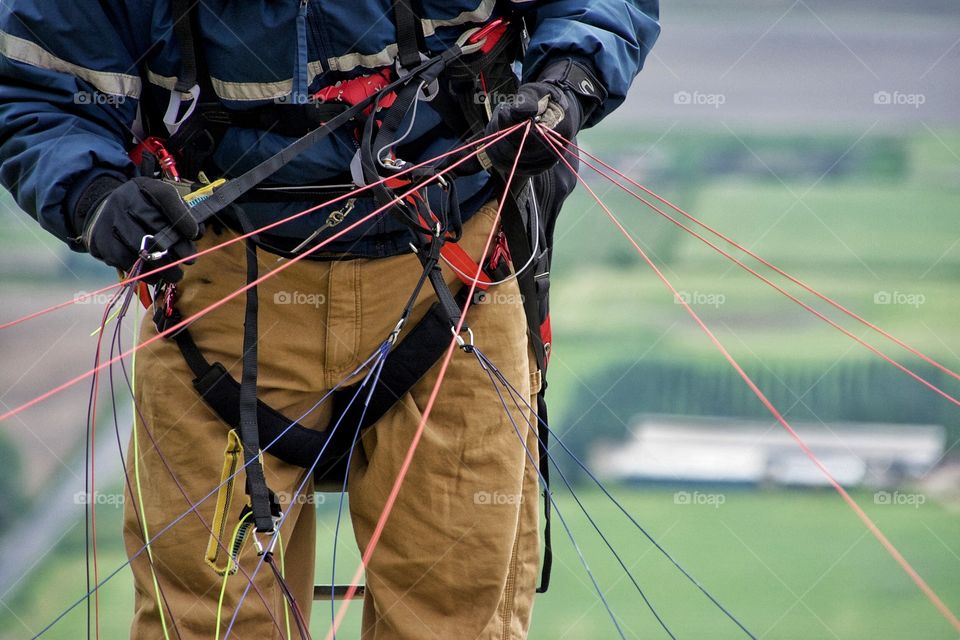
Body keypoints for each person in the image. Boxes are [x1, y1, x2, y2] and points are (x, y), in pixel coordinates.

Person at [0, 1, 659, 638]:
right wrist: (91, 192)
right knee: (205, 624)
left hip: (453, 276)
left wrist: (568, 77)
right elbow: (37, 80)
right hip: (221, 289)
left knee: (457, 613)